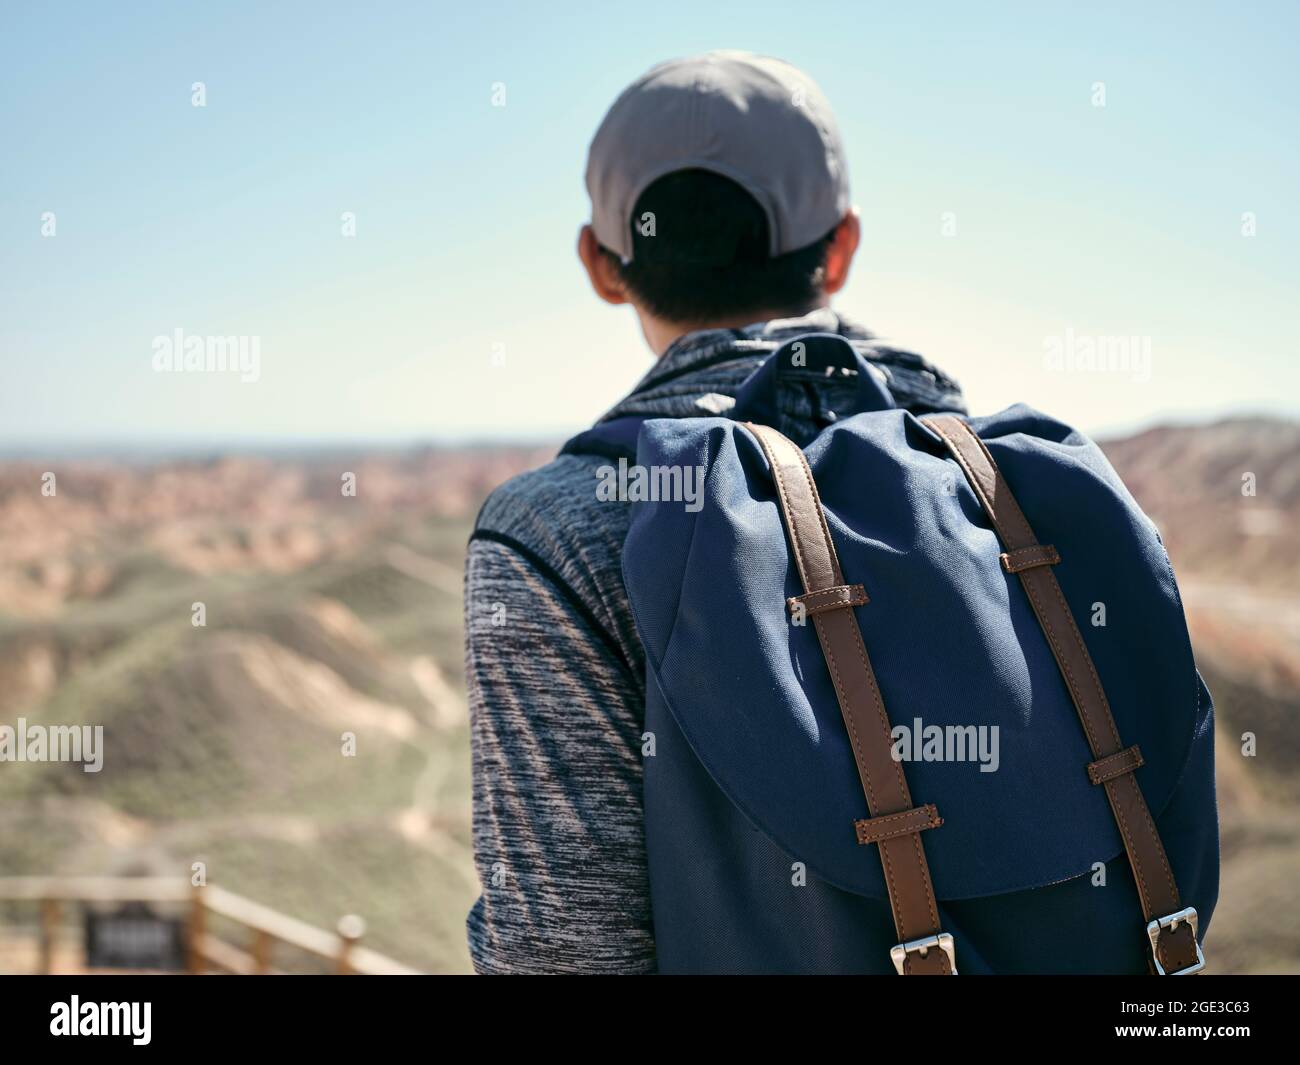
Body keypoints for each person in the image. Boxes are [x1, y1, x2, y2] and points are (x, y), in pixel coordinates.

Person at [463, 50, 964, 973]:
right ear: (842, 245)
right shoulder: (996, 479)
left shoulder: (554, 535)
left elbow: (561, 954)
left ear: (602, 267)